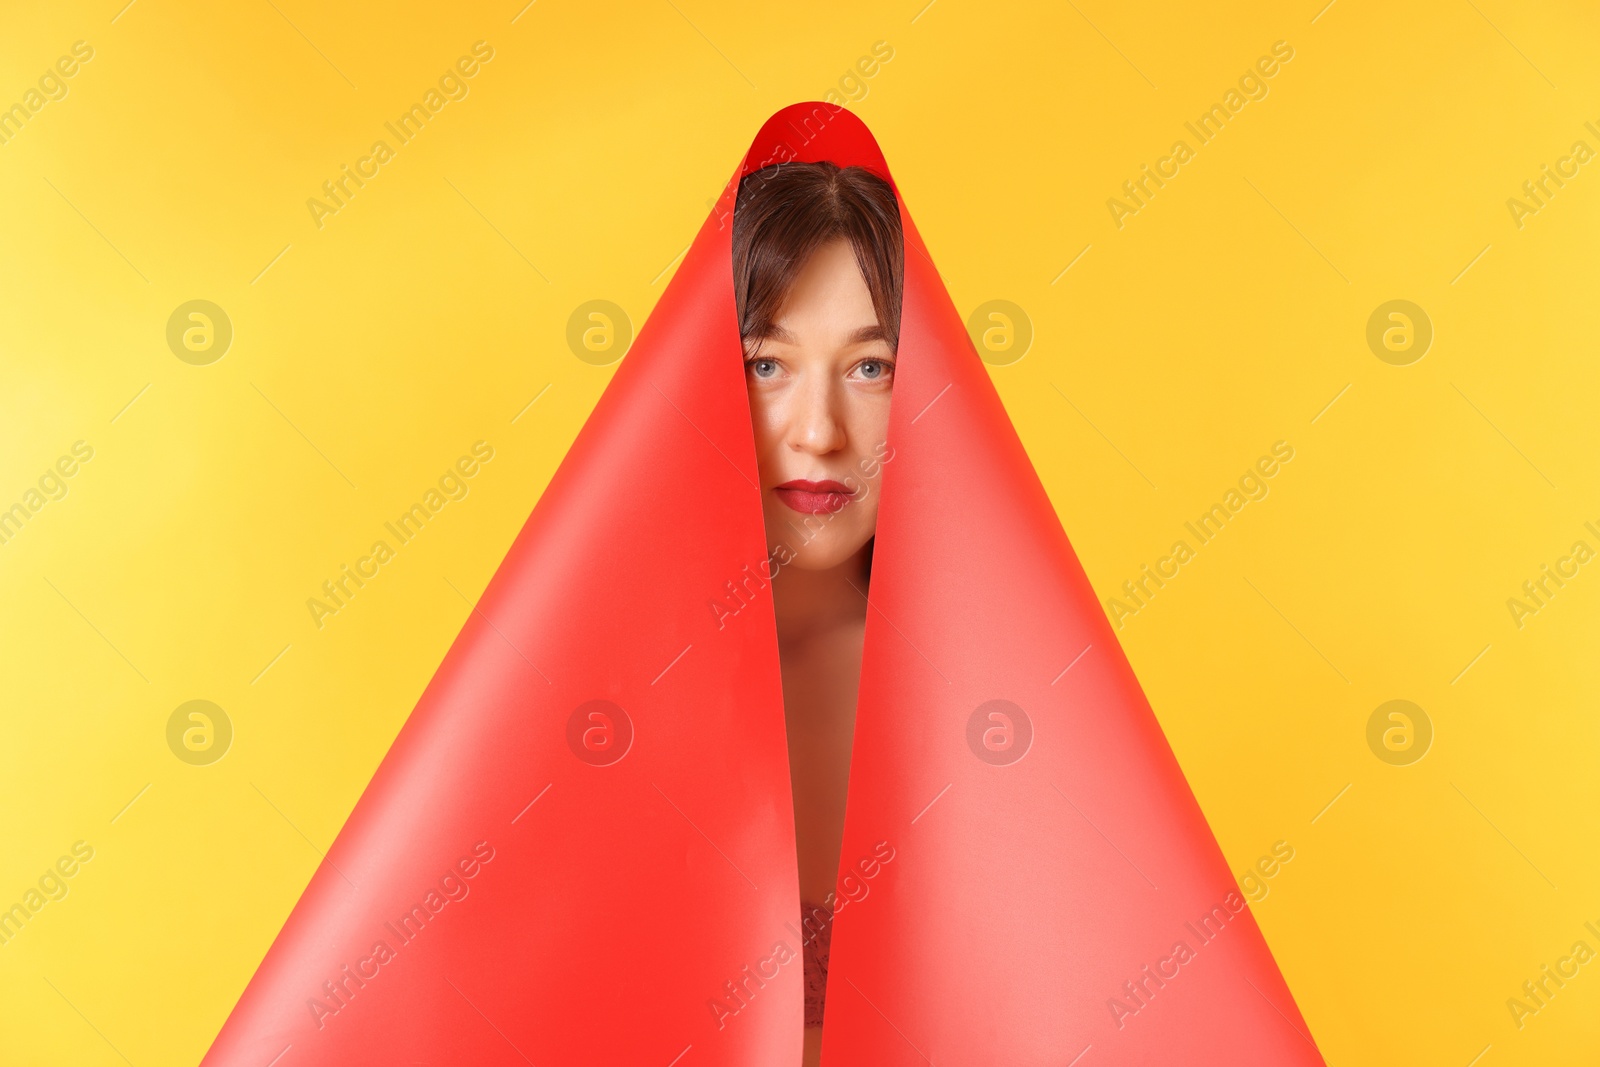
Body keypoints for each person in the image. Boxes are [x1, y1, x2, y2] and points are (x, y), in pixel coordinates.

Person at [731, 160, 902, 1062]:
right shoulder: (596, 699)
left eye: (871, 366)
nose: (818, 430)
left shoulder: (999, 702)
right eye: (767, 363)